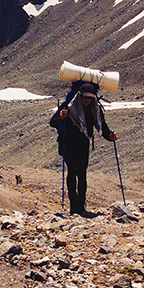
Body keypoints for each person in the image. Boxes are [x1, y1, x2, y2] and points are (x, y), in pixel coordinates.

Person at [49, 81, 117, 217]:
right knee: (73, 171)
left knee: (82, 173)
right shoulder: (68, 106)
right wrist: (62, 117)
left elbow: (102, 126)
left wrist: (110, 136)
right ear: (80, 96)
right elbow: (53, 122)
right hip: (68, 143)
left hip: (83, 143)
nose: (86, 100)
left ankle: (80, 206)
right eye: (84, 97)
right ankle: (75, 207)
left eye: (89, 98)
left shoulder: (94, 109)